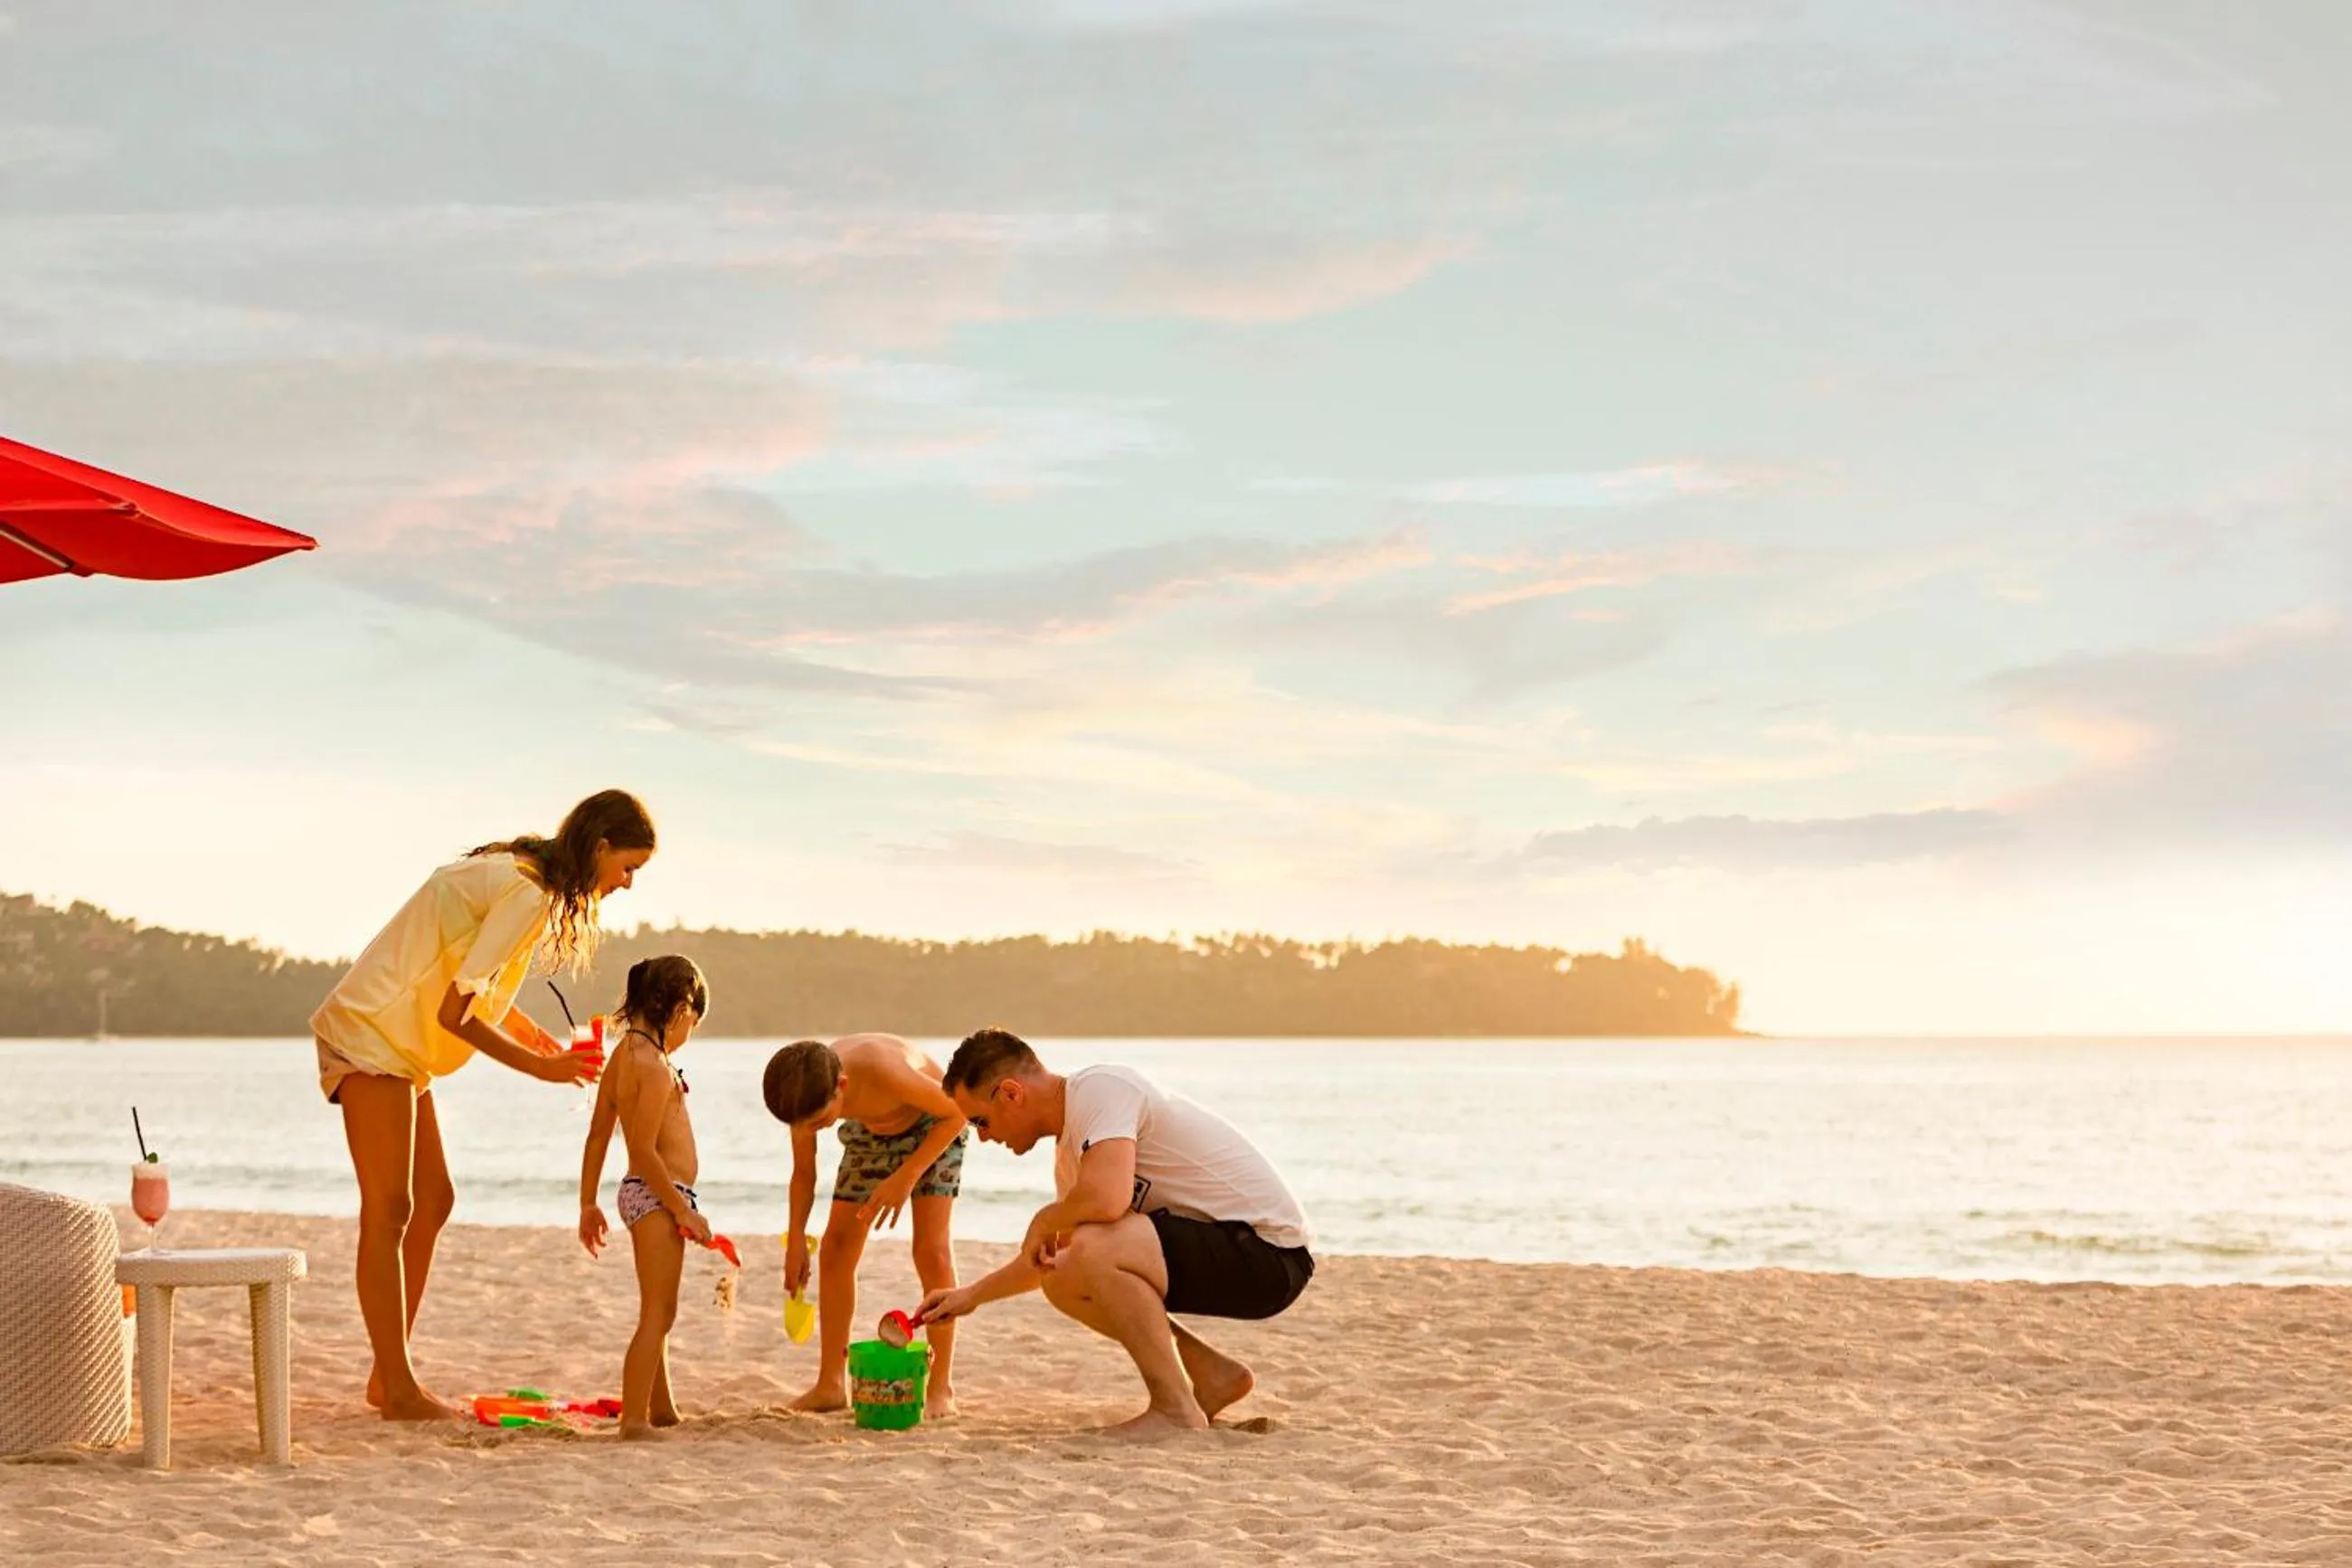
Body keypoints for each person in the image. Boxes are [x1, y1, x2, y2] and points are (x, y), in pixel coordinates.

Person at [309, 789, 655, 1421]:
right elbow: (456, 1013)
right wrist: (543, 1068)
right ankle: (397, 1387)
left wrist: (543, 1043)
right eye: (628, 867)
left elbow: (473, 988)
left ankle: (389, 1377)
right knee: (389, 1209)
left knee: (432, 1200)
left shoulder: (520, 876)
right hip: (373, 1033)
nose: (628, 883)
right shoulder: (527, 893)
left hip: (398, 1043)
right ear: (600, 846)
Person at [916, 1028, 1313, 1437]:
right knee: (1062, 1275)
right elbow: (1052, 1257)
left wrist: (1044, 1219)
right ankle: (1210, 1374)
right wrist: (969, 1297)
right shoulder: (1075, 1154)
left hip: (1271, 1254)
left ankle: (1175, 1410)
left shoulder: (1102, 1090)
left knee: (1094, 1242)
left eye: (980, 1121)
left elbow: (1107, 1202)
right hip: (1227, 1254)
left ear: (1011, 1094)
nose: (982, 1137)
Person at [761, 1034, 968, 1419]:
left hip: (935, 1128)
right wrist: (795, 1245)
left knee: (931, 1250)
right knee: (836, 1247)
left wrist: (906, 1177)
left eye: (822, 1120)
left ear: (841, 1086)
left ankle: (941, 1387)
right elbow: (803, 1174)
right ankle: (830, 1385)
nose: (816, 1129)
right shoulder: (802, 1095)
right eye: (807, 1125)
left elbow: (957, 1113)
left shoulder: (881, 1068)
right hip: (870, 1134)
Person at [575, 955, 711, 1440]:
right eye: (692, 1022)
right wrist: (682, 1210)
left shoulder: (622, 1057)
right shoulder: (652, 1066)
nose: (688, 1032)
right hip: (656, 1194)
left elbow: (597, 1136)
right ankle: (634, 1420)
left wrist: (587, 1202)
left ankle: (662, 1408)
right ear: (679, 1009)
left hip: (643, 1194)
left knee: (658, 1305)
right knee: (659, 1311)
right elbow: (643, 1151)